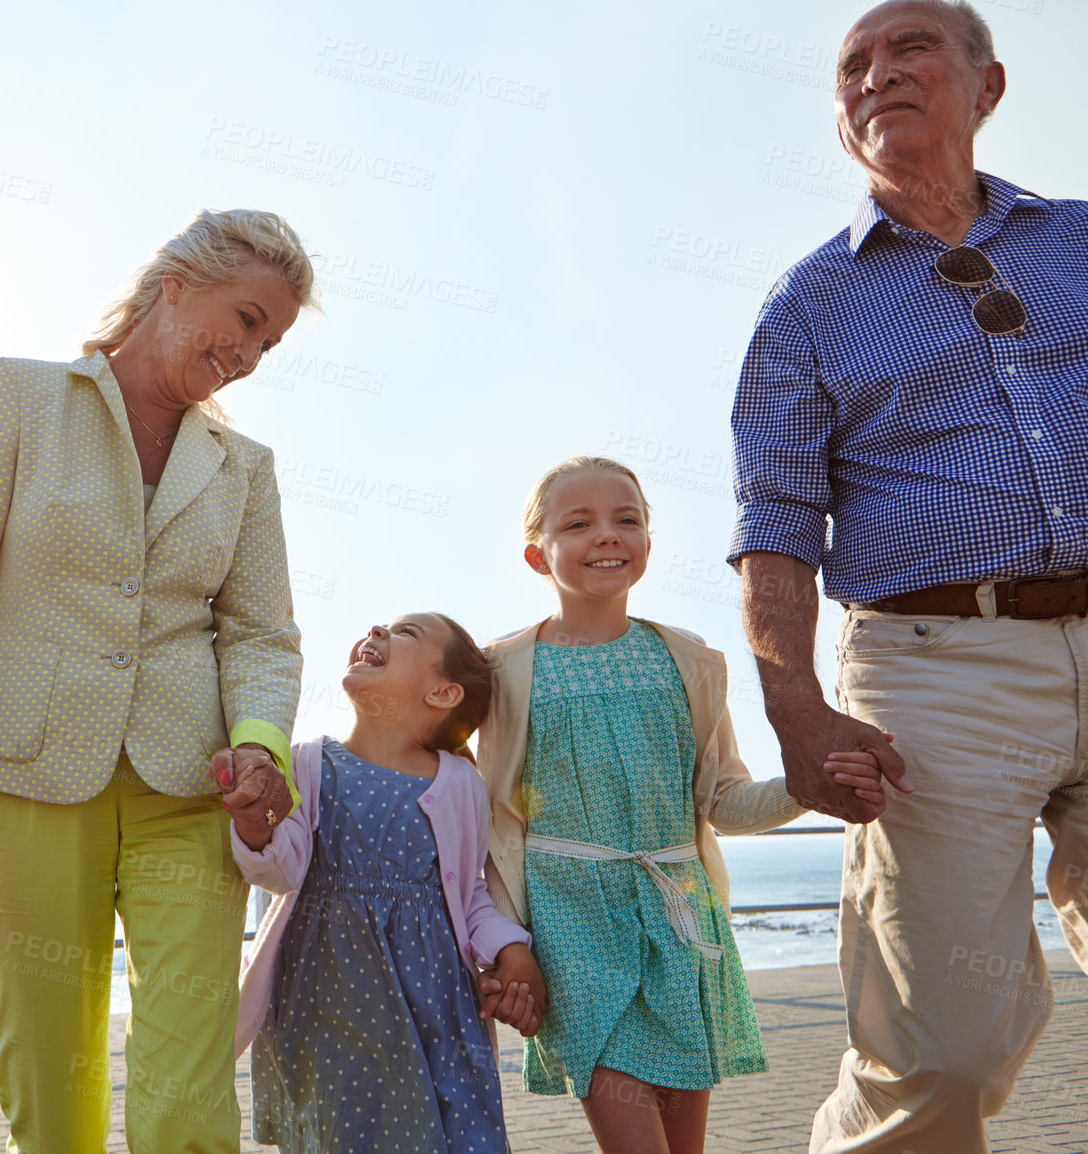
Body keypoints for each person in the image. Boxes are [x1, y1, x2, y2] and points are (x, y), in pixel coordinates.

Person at [0, 209, 317, 1153]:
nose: (254, 353)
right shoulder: (21, 398)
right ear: (177, 281)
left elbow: (262, 633)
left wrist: (260, 747)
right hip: (24, 778)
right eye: (249, 318)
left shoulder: (244, 469)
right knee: (52, 1088)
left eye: (273, 339)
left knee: (189, 1092)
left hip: (193, 794)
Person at [727, 2, 1088, 1149]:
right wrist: (794, 709)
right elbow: (774, 520)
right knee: (944, 1048)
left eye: (908, 47)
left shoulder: (1082, 241)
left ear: (984, 85)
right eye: (852, 64)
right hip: (933, 671)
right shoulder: (805, 303)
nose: (876, 73)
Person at [478, 457, 885, 1154]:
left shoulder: (691, 662)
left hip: (681, 926)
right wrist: (502, 943)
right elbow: (470, 810)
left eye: (626, 519)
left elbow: (725, 801)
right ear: (535, 554)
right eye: (578, 524)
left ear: (648, 543)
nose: (607, 535)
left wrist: (809, 784)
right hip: (572, 927)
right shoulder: (499, 670)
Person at [227, 611, 540, 1153]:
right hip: (328, 1012)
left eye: (407, 633)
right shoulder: (307, 763)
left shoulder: (461, 782)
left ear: (443, 693)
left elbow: (468, 896)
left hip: (438, 1014)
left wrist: (511, 949)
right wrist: (259, 824)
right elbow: (280, 872)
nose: (377, 630)